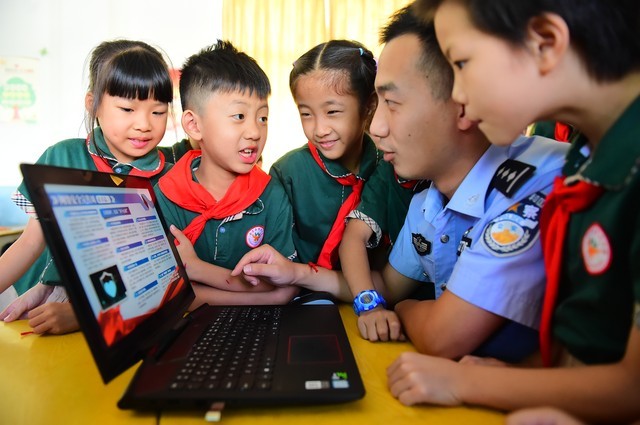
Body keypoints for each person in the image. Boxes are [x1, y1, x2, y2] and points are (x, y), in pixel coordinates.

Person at [386, 0, 640, 422]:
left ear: (545, 42)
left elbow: (633, 385)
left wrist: (464, 381)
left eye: (462, 64)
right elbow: (590, 340)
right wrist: (521, 375)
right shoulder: (587, 159)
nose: (458, 95)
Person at [341, 5, 568, 363]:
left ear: (462, 100)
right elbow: (391, 287)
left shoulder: (542, 177)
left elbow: (441, 336)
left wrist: (407, 309)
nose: (376, 127)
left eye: (393, 103)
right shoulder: (427, 204)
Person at [0, 39, 174, 335]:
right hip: (42, 296)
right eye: (127, 109)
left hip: (120, 310)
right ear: (93, 103)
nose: (144, 124)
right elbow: (30, 243)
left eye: (157, 112)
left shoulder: (170, 179)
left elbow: (160, 275)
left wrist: (86, 314)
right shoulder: (62, 157)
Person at [232, 39, 411, 302]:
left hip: (380, 297)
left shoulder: (392, 165)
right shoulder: (287, 172)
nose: (319, 129)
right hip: (301, 299)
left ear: (369, 106)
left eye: (333, 111)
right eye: (306, 114)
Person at [155, 40, 298, 308]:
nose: (255, 132)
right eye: (239, 116)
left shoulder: (271, 195)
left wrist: (197, 273)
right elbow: (161, 292)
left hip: (261, 324)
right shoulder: (166, 195)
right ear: (194, 125)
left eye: (262, 118)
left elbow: (282, 283)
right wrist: (266, 296)